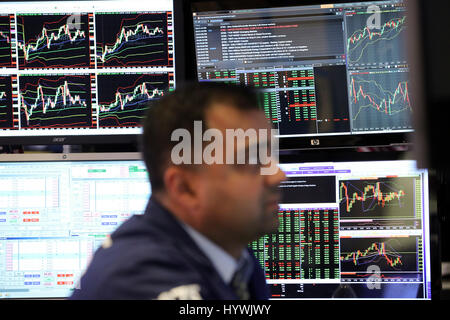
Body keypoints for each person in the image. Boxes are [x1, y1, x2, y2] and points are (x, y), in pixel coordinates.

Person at [70, 82, 286, 300]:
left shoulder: (229, 249)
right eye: (252, 160)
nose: (278, 175)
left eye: (271, 155)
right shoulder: (147, 284)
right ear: (185, 188)